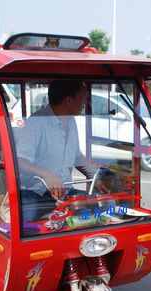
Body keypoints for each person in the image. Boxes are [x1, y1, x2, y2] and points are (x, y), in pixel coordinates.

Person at [16, 80, 103, 223]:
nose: (85, 103)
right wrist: (46, 175)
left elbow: (76, 156)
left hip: (65, 193)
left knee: (95, 206)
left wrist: (95, 177)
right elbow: (19, 162)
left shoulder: (71, 121)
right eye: (82, 98)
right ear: (69, 100)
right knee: (26, 219)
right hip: (36, 194)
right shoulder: (37, 122)